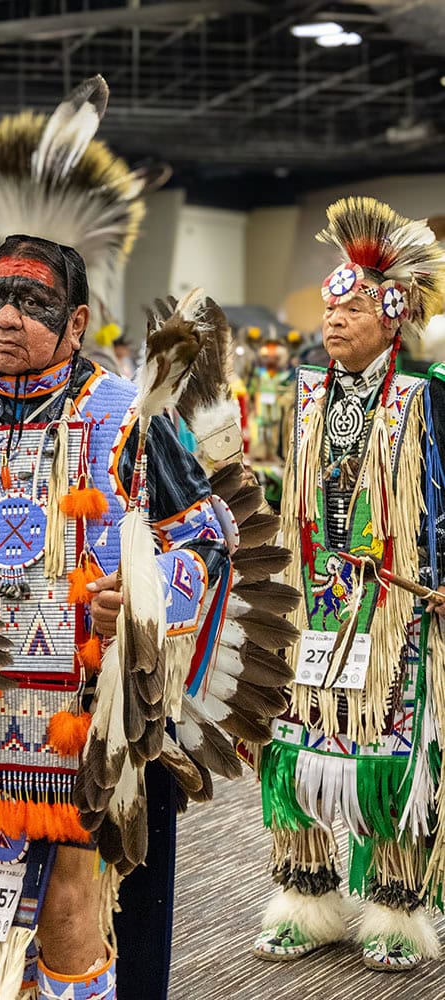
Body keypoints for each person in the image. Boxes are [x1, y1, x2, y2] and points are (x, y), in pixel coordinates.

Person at [0, 235, 234, 1000]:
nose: (5, 317)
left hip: (86, 713)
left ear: (76, 322)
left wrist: (143, 594)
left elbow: (208, 534)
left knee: (69, 901)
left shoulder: (126, 414)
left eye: (33, 304)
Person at [253, 197, 445, 971]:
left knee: (392, 759)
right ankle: (305, 896)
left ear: (389, 321)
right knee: (292, 750)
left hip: (396, 605)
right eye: (331, 305)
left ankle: (396, 910)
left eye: (354, 307)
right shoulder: (303, 397)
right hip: (312, 604)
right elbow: (283, 494)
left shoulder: (425, 395)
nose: (333, 319)